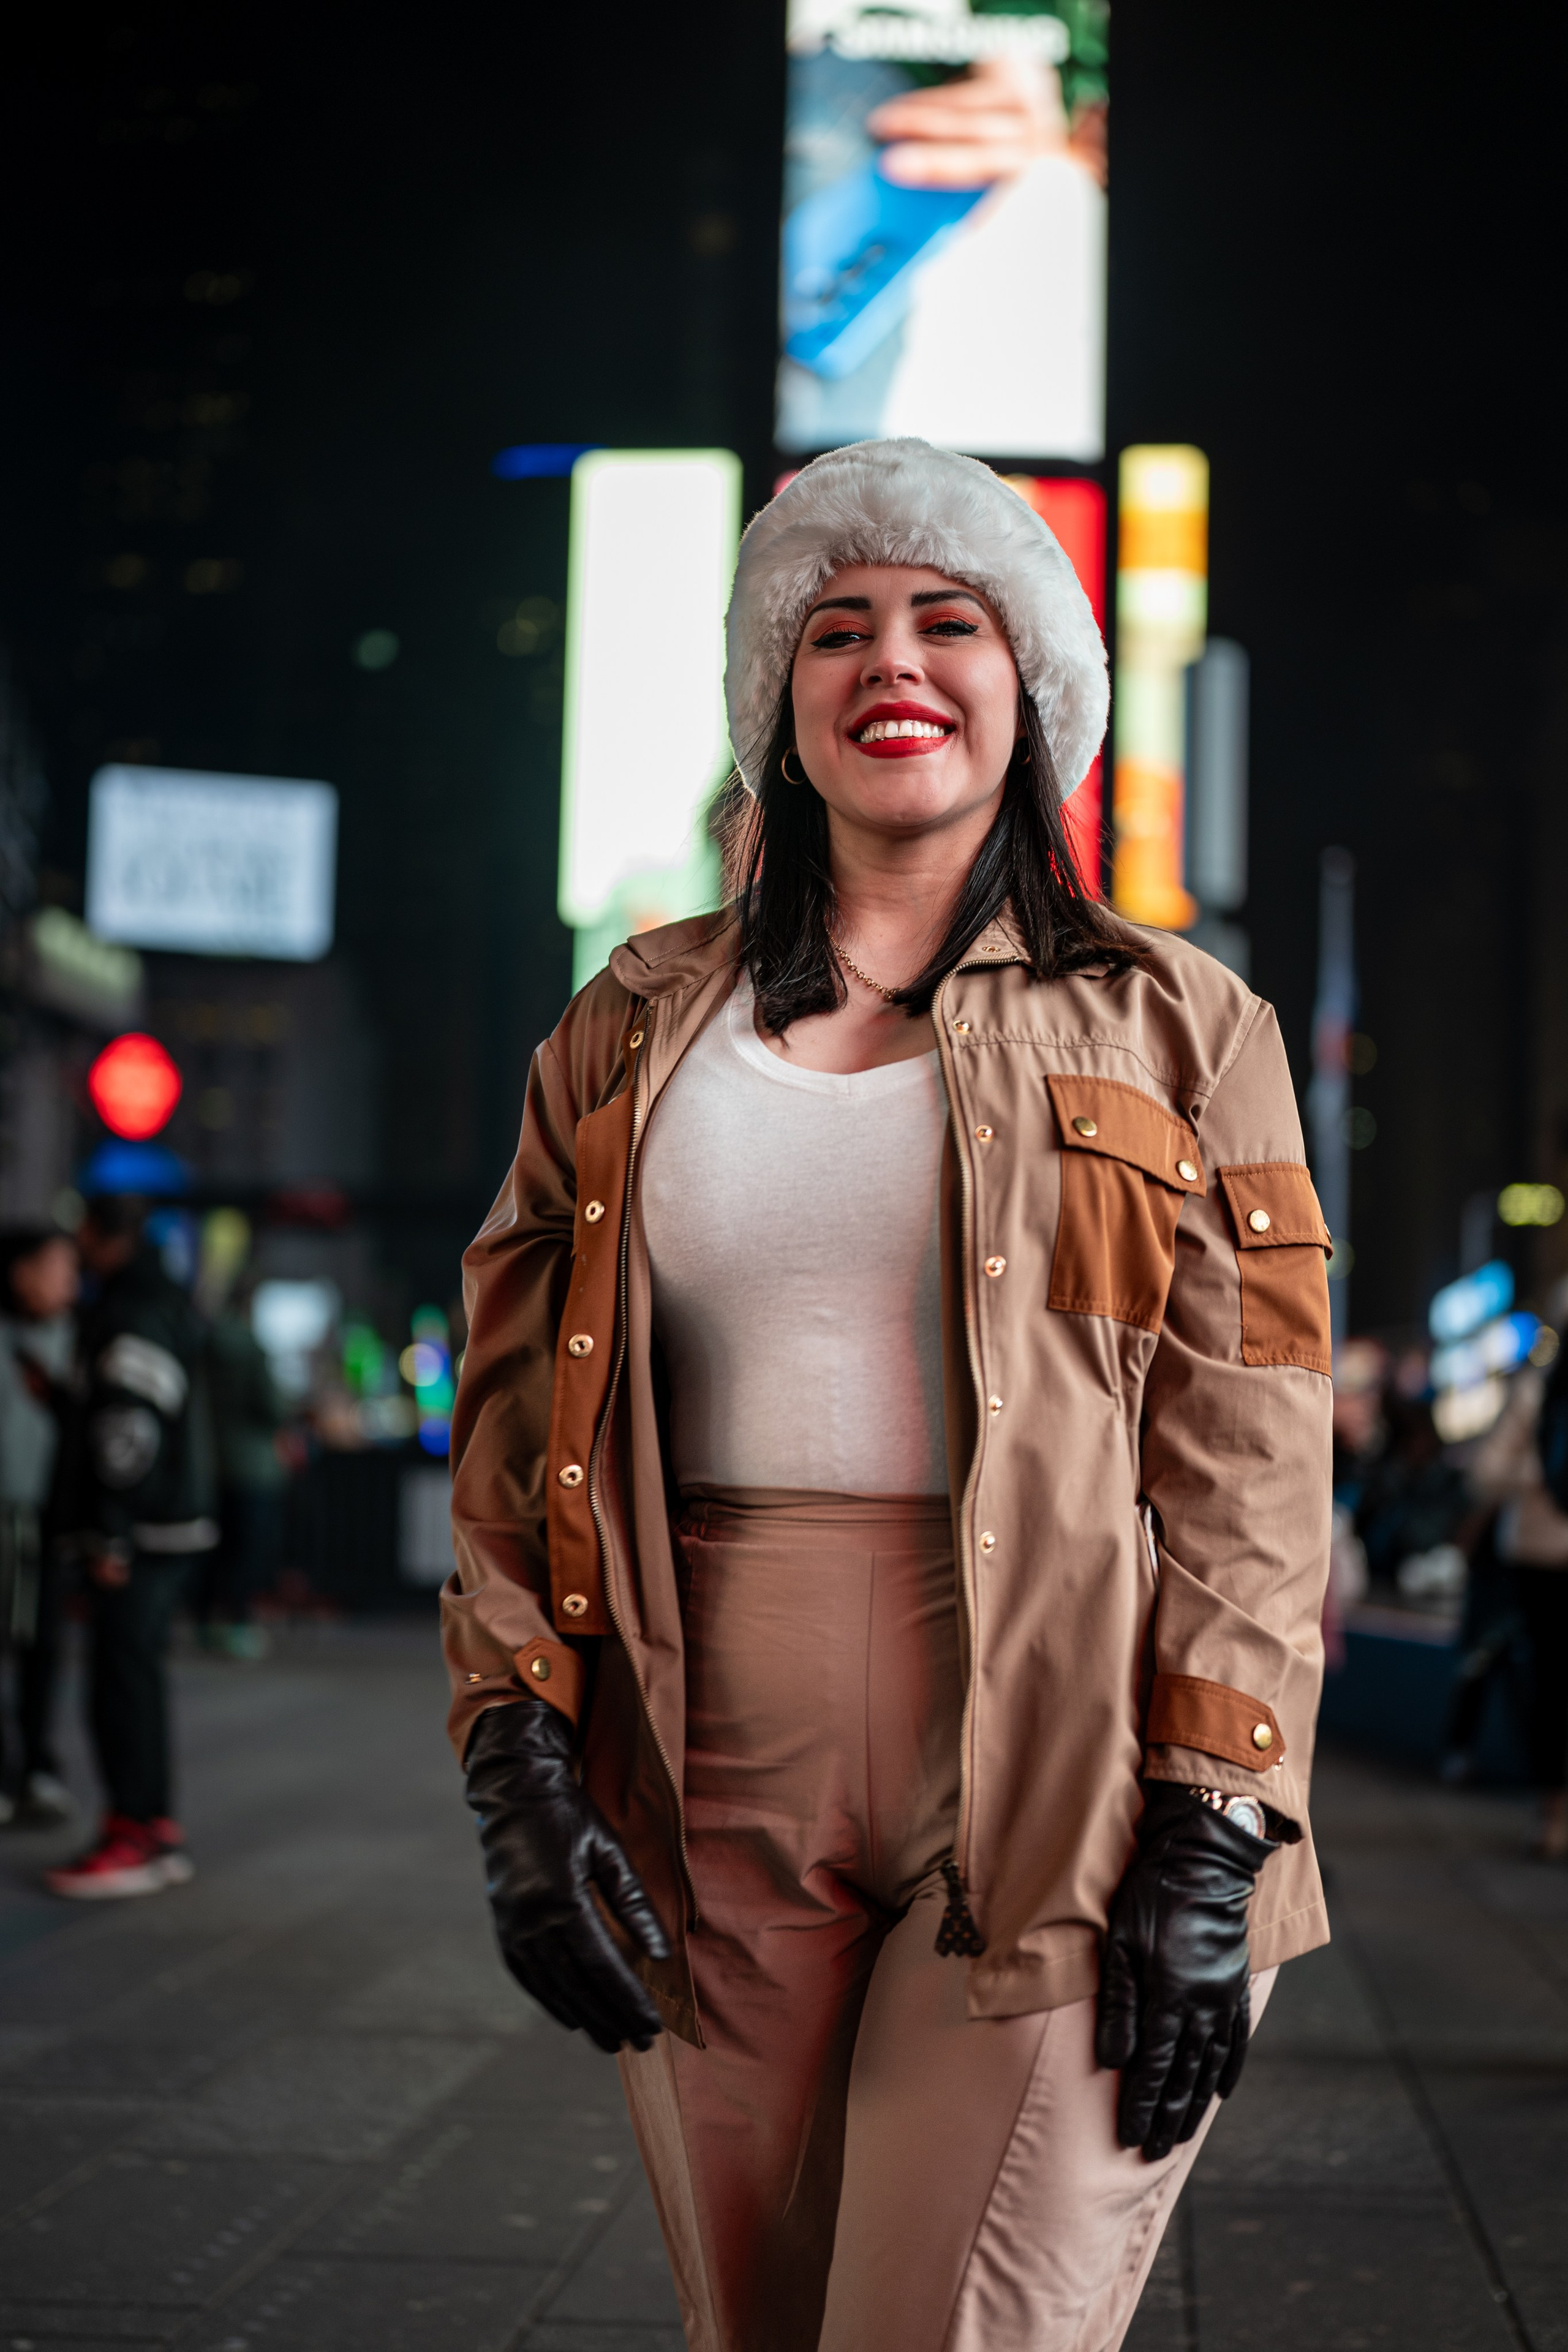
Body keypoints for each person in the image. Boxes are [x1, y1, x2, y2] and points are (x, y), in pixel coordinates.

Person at [446, 440, 1333, 2352]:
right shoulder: (624, 1024)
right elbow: (517, 1440)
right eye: (834, 627)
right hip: (699, 1739)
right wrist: (512, 1754)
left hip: (1068, 1753)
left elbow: (1251, 1458)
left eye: (949, 619)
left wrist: (1218, 1813)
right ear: (779, 700)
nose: (892, 659)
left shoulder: (1190, 1026)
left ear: (1034, 688)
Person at [45, 1194, 217, 1899]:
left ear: (95, 1234)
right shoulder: (163, 1297)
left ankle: (135, 1833)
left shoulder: (131, 1308)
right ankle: (150, 1829)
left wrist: (110, 1532)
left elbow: (128, 1431)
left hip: (144, 1532)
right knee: (134, 1676)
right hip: (165, 1523)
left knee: (121, 1682)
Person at [1468, 1344, 1568, 1858]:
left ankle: (1553, 1811)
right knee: (1550, 1687)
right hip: (1540, 1561)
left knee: (1549, 1686)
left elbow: (1486, 1472)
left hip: (1538, 1556)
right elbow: (1487, 1470)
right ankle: (1553, 1808)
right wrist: (1546, 1471)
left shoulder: (1536, 1390)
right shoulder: (1536, 1393)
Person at [0, 1224, 80, 1824]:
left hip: (49, 1519)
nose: (69, 1285)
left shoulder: (75, 1340)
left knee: (43, 1647)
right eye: (58, 1270)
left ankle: (36, 1769)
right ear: (20, 1272)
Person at [195, 1270, 286, 1661]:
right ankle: (236, 1624)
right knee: (247, 1551)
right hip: (252, 1464)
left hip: (211, 1460)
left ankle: (205, 1621)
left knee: (216, 1549)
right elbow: (272, 1406)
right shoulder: (251, 1348)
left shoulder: (205, 1343)